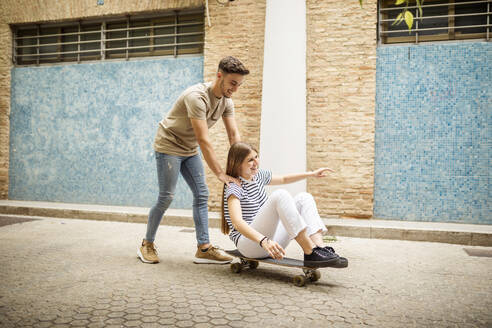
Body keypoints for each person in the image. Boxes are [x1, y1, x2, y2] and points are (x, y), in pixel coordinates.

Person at [138, 56, 249, 264]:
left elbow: (234, 136)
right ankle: (147, 244)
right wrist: (220, 173)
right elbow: (203, 139)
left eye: (239, 85)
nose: (235, 89)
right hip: (169, 145)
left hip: (189, 149)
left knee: (201, 193)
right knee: (167, 196)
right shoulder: (196, 97)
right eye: (232, 83)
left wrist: (240, 168)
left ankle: (204, 248)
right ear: (219, 76)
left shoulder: (226, 101)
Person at [221, 142, 348, 267]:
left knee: (304, 198)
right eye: (250, 160)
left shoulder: (258, 176)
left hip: (270, 241)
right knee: (280, 195)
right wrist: (264, 241)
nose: (256, 163)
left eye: (256, 157)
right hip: (250, 244)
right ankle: (309, 250)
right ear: (238, 164)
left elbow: (284, 179)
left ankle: (319, 249)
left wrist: (312, 174)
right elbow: (237, 223)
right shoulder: (234, 187)